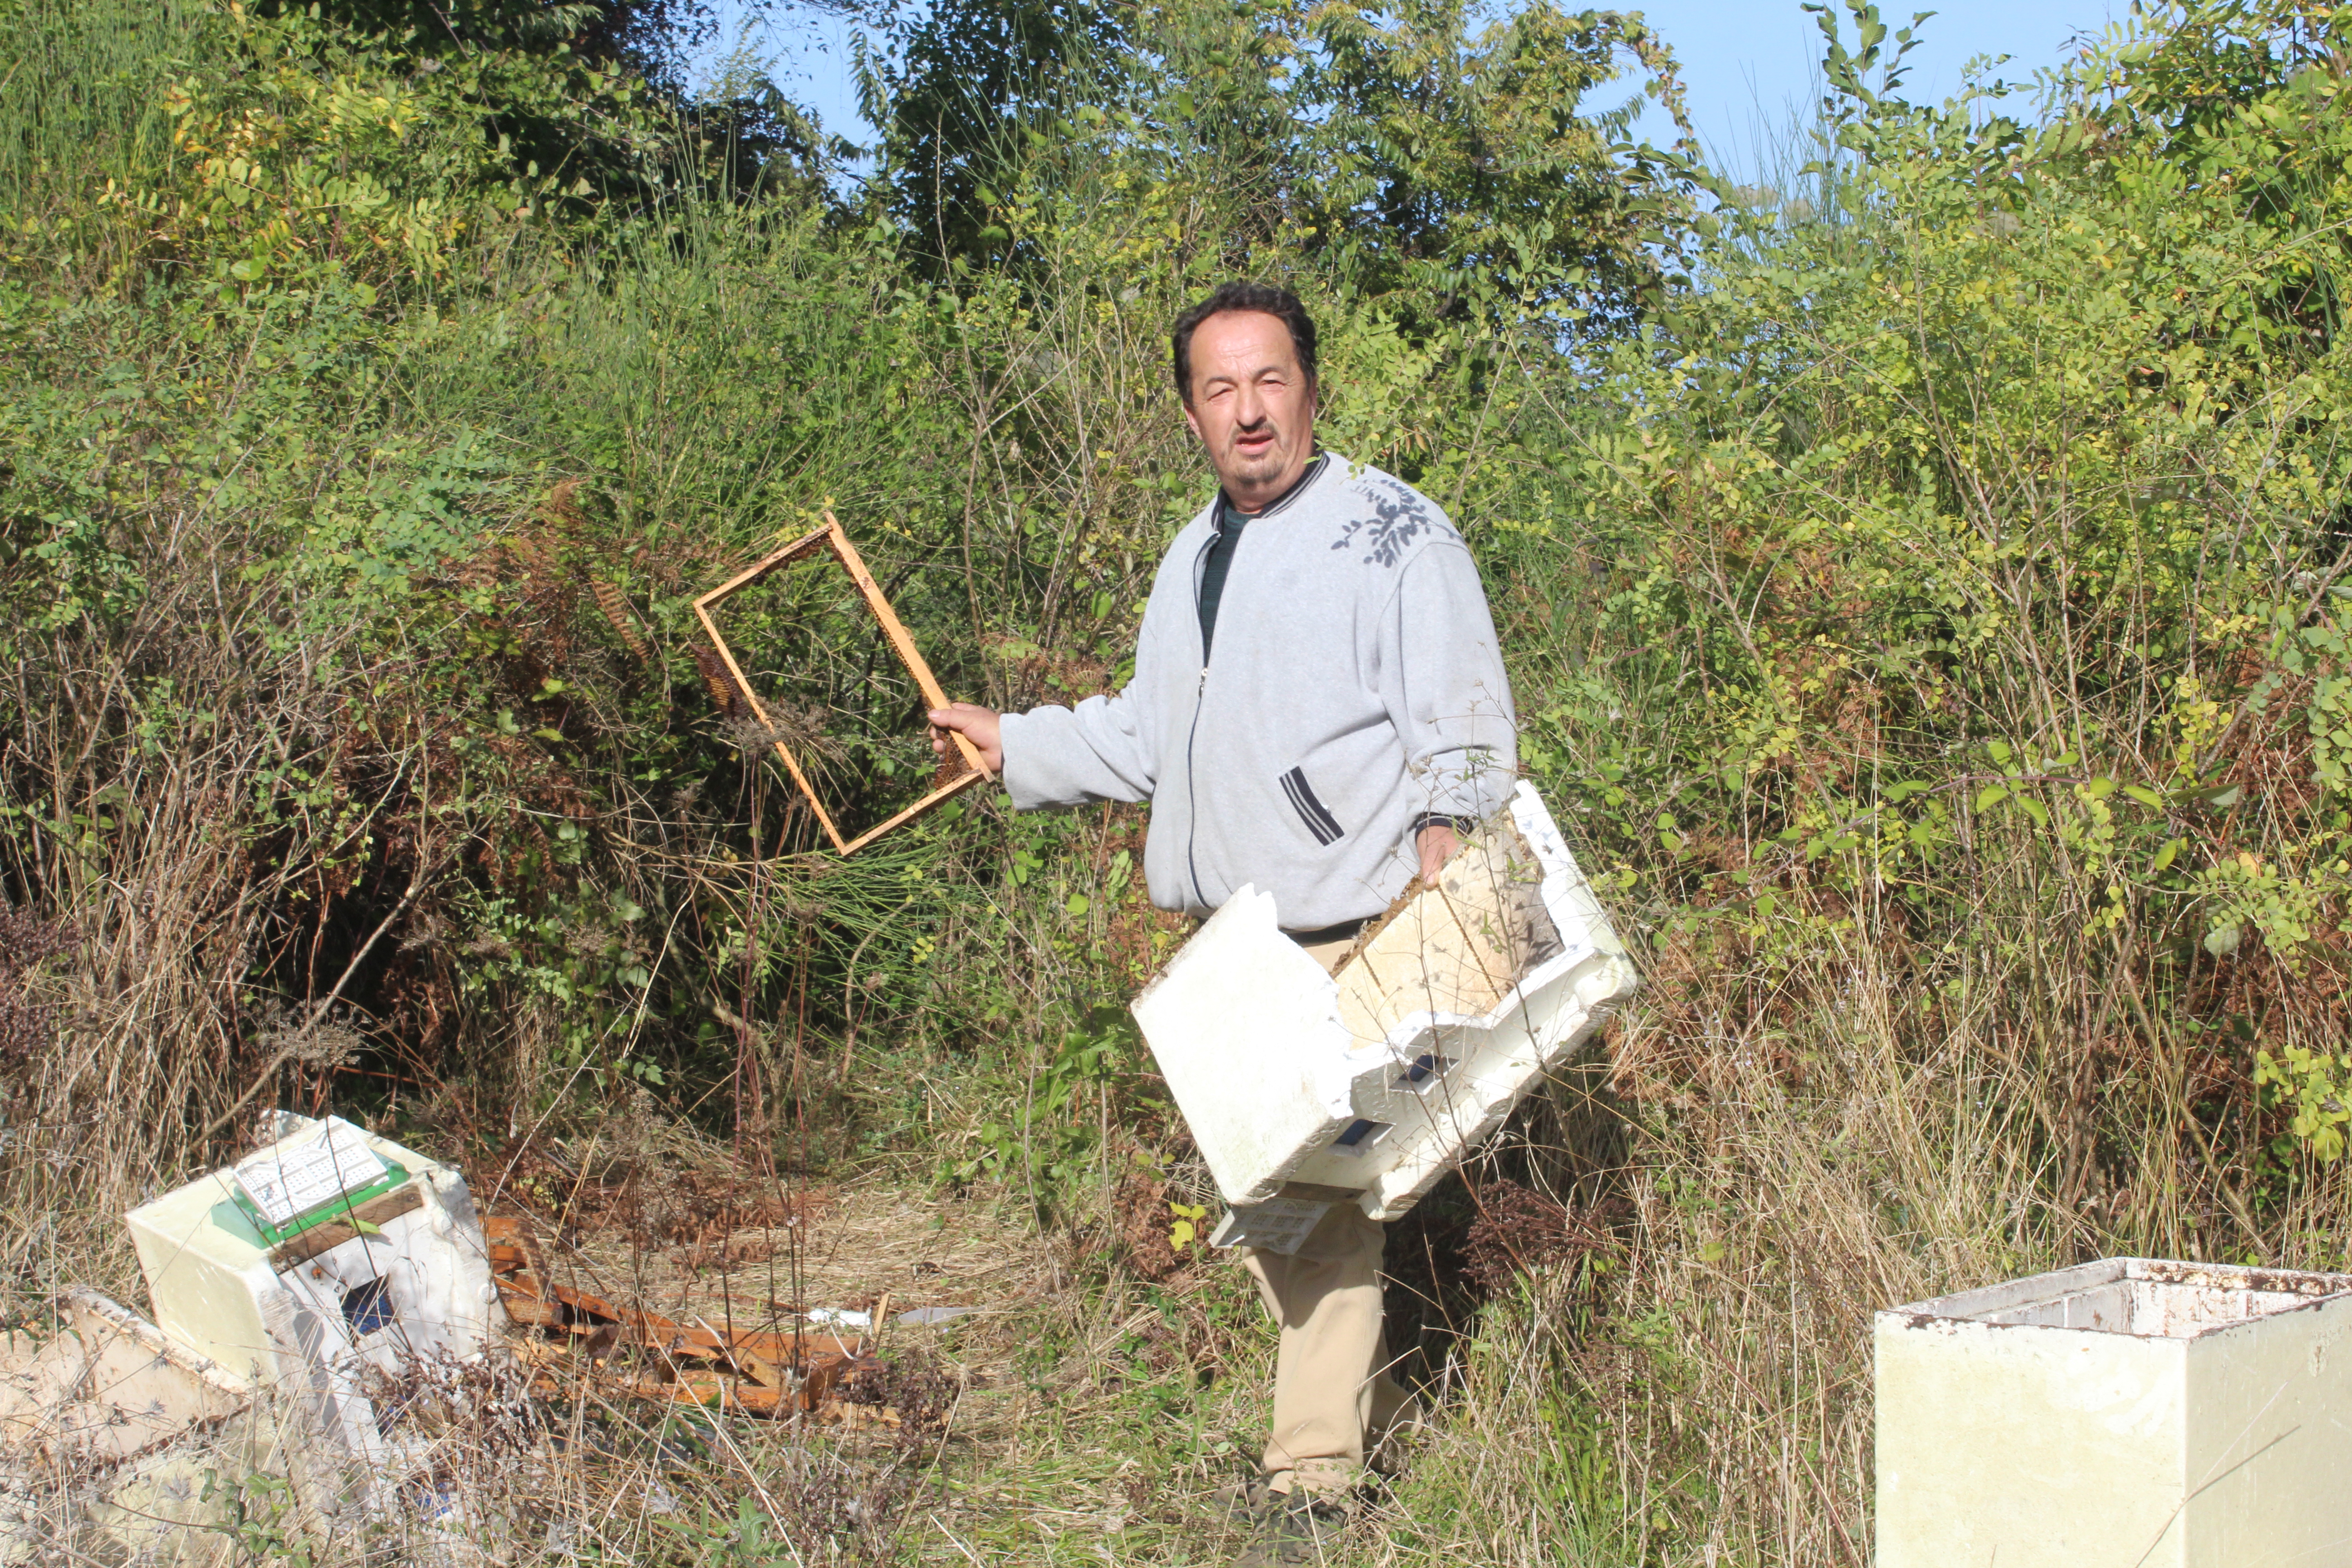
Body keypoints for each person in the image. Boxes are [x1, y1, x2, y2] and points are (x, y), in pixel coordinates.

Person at [929, 279, 1515, 1563]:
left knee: (1309, 1199)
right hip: (1237, 942)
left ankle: (1313, 1484)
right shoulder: (1193, 554)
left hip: (1353, 923)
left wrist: (1446, 850)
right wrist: (1011, 741)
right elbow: (1147, 732)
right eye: (1219, 389)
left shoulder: (1390, 531)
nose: (1249, 413)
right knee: (1295, 1205)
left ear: (1311, 387)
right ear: (1190, 412)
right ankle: (1386, 1412)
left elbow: (1463, 717)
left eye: (1269, 382)